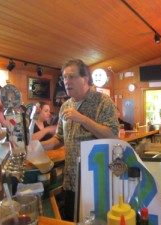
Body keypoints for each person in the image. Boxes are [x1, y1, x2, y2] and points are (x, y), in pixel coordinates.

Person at [41, 59, 119, 221]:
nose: (66, 81)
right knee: (72, 219)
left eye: (71, 77)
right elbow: (59, 139)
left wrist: (82, 119)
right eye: (64, 78)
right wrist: (37, 146)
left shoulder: (103, 102)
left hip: (97, 181)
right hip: (71, 180)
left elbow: (112, 136)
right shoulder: (65, 106)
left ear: (86, 79)